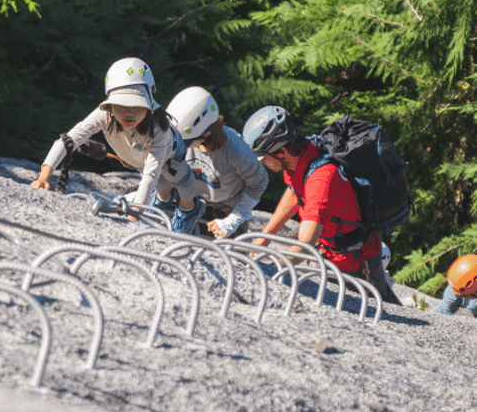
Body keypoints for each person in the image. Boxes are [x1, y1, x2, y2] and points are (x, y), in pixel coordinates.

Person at [242, 105, 399, 304]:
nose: (262, 163)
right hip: (331, 252)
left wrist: (271, 269)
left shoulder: (321, 180)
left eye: (263, 158)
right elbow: (295, 191)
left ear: (280, 152)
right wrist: (265, 236)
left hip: (356, 260)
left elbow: (305, 244)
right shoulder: (303, 153)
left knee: (382, 308)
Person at [32, 57, 202, 234]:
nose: (129, 113)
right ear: (110, 105)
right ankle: (163, 198)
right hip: (141, 160)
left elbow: (151, 173)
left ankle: (189, 208)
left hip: (171, 155)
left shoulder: (160, 130)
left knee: (179, 177)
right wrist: (44, 177)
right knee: (160, 186)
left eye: (136, 106)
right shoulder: (104, 115)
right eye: (121, 106)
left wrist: (134, 214)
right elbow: (70, 139)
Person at [165, 86, 268, 239]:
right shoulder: (177, 137)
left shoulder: (235, 148)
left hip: (228, 207)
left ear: (206, 133)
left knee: (229, 256)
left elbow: (259, 182)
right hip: (192, 199)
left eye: (187, 141)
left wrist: (233, 220)